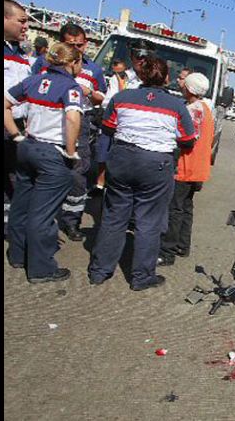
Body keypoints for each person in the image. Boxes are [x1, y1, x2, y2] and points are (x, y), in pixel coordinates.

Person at [88, 56, 197, 291]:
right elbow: (188, 140)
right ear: (166, 78)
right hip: (156, 165)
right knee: (149, 221)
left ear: (140, 74)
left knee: (114, 216)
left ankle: (99, 271)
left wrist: (102, 164)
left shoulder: (121, 99)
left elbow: (107, 130)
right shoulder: (177, 106)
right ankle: (142, 277)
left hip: (122, 160)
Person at [4, 42, 84, 281]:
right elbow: (72, 119)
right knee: (43, 213)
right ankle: (41, 268)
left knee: (21, 204)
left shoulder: (34, 80)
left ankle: (17, 254)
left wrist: (15, 135)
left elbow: (5, 104)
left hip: (28, 146)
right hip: (52, 153)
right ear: (72, 63)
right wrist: (71, 151)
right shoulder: (71, 88)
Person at [34, 24, 107, 241]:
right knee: (44, 171)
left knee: (78, 173)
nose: (77, 48)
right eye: (70, 44)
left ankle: (71, 221)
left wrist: (91, 93)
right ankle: (40, 220)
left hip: (80, 123)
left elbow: (101, 97)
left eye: (80, 44)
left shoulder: (93, 69)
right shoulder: (44, 64)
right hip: (47, 121)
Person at [158, 73, 214, 266]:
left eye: (184, 82)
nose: (180, 84)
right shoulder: (205, 107)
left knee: (175, 208)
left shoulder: (193, 110)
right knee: (186, 207)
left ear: (189, 89)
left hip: (185, 165)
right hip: (196, 166)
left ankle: (167, 251)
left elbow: (188, 138)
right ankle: (182, 245)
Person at [4, 0, 32, 237]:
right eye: (21, 21)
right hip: (7, 124)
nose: (26, 27)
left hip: (16, 124)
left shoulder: (20, 53)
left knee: (11, 175)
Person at [93, 59, 130, 192]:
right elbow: (106, 101)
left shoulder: (136, 80)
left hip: (127, 123)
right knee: (103, 152)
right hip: (111, 119)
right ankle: (100, 184)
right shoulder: (114, 79)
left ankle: (115, 185)